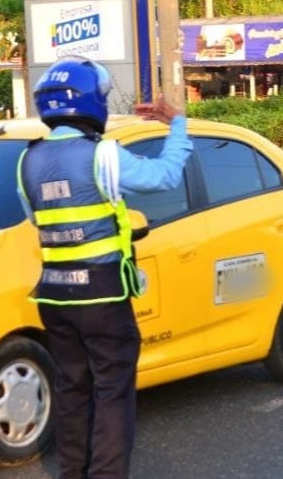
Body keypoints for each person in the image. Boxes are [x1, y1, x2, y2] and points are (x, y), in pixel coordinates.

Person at [16, 57, 192, 479]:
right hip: (103, 295)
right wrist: (179, 125)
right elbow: (165, 176)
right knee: (112, 390)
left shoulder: (27, 161)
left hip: (54, 296)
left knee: (71, 389)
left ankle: (72, 473)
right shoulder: (103, 155)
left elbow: (34, 217)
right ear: (91, 101)